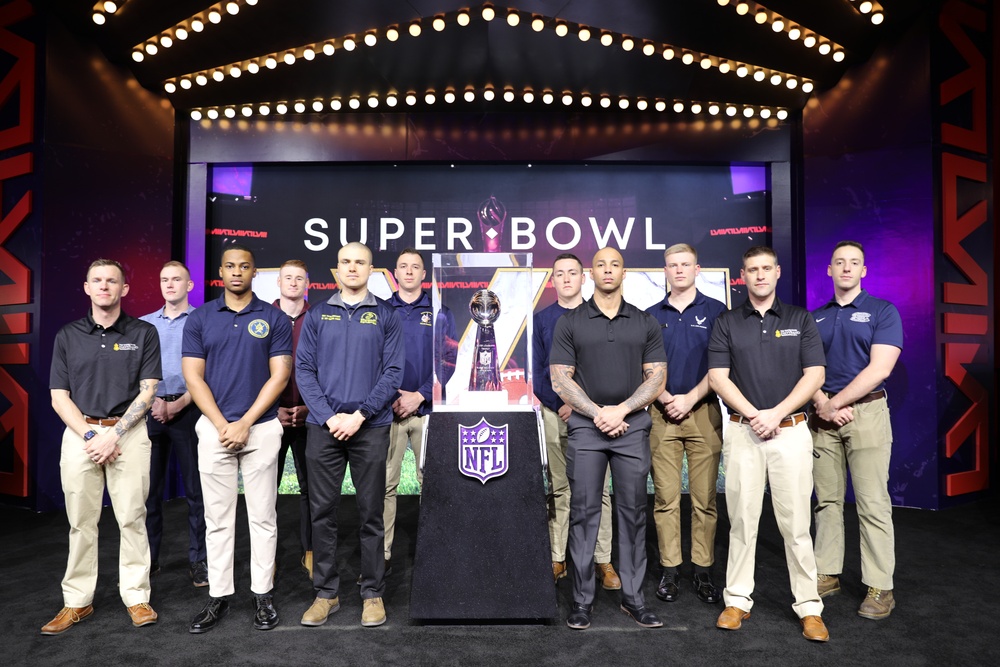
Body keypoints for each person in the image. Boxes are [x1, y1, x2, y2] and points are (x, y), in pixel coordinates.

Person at [707, 246, 829, 642]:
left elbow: (815, 375)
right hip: (744, 432)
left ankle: (809, 607)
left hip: (790, 431)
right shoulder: (727, 322)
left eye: (766, 269)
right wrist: (757, 415)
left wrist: (775, 413)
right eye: (752, 270)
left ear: (777, 273)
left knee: (796, 525)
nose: (760, 276)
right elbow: (718, 378)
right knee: (742, 521)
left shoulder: (799, 318)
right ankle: (737, 600)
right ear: (742, 276)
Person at [549, 246, 667, 630]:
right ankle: (582, 601)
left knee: (632, 513)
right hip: (586, 428)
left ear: (623, 272)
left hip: (631, 428)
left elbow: (657, 377)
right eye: (600, 264)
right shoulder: (570, 321)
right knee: (584, 513)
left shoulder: (645, 321)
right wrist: (599, 413)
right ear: (591, 274)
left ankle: (633, 599)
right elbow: (560, 379)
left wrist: (621, 411)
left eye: (614, 264)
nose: (608, 270)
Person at [43, 259, 161, 635]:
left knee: (131, 518)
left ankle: (137, 596)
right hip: (81, 436)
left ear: (124, 289)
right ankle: (77, 602)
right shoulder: (68, 335)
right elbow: (59, 397)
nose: (105, 286)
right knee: (81, 523)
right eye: (98, 281)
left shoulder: (144, 332)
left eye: (112, 281)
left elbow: (148, 392)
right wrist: (92, 436)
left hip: (128, 434)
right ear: (87, 287)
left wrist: (114, 433)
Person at [182, 245, 292, 633]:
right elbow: (193, 376)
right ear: (220, 272)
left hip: (260, 428)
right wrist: (221, 423)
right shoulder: (200, 318)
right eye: (230, 266)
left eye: (244, 267)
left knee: (263, 517)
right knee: (217, 519)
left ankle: (263, 594)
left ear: (253, 272)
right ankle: (219, 595)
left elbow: (279, 376)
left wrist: (245, 421)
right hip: (213, 431)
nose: (236, 272)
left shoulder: (275, 318)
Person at [296, 242, 404, 628]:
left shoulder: (387, 315)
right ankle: (326, 594)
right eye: (346, 262)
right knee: (322, 513)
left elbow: (393, 373)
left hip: (370, 427)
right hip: (324, 429)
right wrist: (329, 418)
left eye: (360, 262)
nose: (352, 268)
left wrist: (358, 415)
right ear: (336, 269)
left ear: (371, 269)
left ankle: (372, 593)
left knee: (370, 513)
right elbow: (304, 371)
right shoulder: (317, 314)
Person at [810, 241, 903, 620]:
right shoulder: (814, 317)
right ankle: (827, 573)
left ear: (864, 271)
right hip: (823, 417)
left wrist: (837, 403)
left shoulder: (883, 311)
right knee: (827, 501)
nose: (847, 268)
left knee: (872, 504)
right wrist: (821, 402)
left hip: (865, 414)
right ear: (829, 270)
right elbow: (806, 368)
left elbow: (880, 368)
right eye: (839, 262)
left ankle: (881, 587)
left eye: (855, 263)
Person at [532, 253, 620, 589]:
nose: (566, 279)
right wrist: (563, 404)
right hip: (556, 415)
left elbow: (605, 369)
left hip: (597, 416)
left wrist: (586, 407)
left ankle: (603, 561)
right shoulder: (541, 320)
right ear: (551, 280)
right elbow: (538, 371)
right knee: (559, 488)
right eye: (559, 274)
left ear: (584, 277)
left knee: (600, 491)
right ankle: (558, 557)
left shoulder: (600, 315)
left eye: (572, 273)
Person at [645, 244, 727, 604]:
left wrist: (690, 399)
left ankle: (703, 569)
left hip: (703, 413)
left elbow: (720, 367)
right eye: (672, 265)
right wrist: (665, 399)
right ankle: (670, 569)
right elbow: (645, 368)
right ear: (664, 271)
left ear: (698, 268)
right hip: (661, 415)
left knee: (705, 499)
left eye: (685, 264)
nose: (679, 270)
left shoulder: (717, 312)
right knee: (664, 499)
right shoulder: (649, 316)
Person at [140, 261, 207, 587]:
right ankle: (149, 560)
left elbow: (207, 372)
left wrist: (179, 403)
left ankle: (199, 562)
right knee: (149, 493)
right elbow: (134, 372)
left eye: (176, 279)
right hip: (150, 412)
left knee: (196, 492)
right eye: (164, 279)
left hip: (189, 409)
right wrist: (154, 404)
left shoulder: (201, 321)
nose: (169, 284)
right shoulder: (144, 325)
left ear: (189, 285)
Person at [381, 249, 432, 577]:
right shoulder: (382, 310)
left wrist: (420, 395)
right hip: (389, 412)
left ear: (424, 274)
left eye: (415, 267)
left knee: (433, 483)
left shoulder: (438, 309)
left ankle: (434, 554)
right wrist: (393, 396)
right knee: (385, 485)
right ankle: (380, 558)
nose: (409, 272)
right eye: (404, 267)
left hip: (427, 412)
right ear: (395, 273)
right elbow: (372, 359)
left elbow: (449, 359)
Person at [273, 259, 313, 578]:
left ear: (307, 284)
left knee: (310, 488)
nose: (293, 283)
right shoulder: (263, 317)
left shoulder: (317, 318)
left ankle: (309, 551)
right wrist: (273, 409)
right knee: (265, 489)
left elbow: (326, 369)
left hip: (307, 416)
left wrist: (308, 408)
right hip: (269, 417)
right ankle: (267, 556)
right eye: (288, 277)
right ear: (279, 282)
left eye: (299, 278)